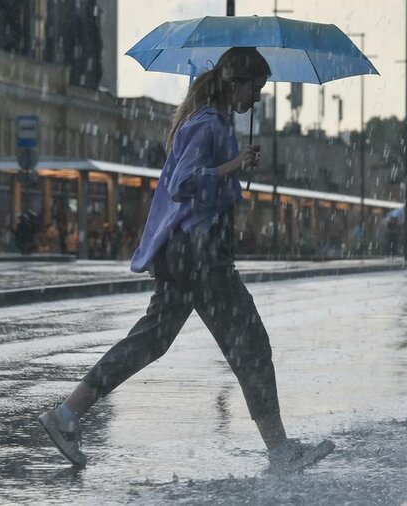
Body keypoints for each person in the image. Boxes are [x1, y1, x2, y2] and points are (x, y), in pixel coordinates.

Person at [38, 47, 334, 473]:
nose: (257, 97)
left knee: (151, 340)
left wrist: (233, 170)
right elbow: (183, 183)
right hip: (200, 254)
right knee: (249, 344)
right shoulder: (207, 124)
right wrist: (233, 164)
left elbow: (202, 186)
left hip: (185, 252)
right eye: (256, 87)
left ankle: (66, 415)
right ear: (236, 83)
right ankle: (280, 451)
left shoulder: (208, 122)